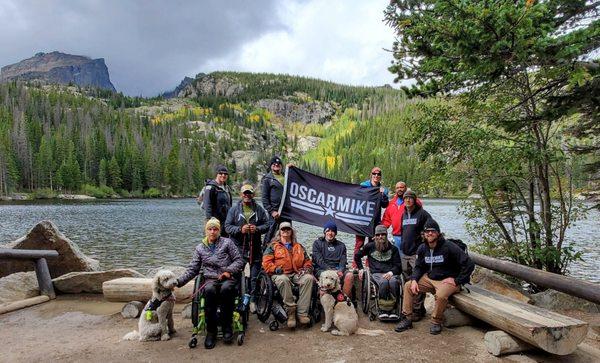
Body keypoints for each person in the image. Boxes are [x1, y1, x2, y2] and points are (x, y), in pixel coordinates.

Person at [395, 219, 474, 335]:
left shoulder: (449, 246)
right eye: (427, 231)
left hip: (447, 280)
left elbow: (469, 264)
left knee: (441, 295)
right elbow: (419, 267)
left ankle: (436, 321)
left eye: (433, 231)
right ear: (424, 234)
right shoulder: (422, 248)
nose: (430, 233)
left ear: (438, 233)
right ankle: (407, 319)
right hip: (430, 279)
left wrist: (457, 280)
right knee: (408, 286)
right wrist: (414, 280)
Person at [176, 218, 244, 349]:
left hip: (227, 278)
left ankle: (227, 327)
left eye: (215, 229)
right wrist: (179, 282)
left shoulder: (227, 242)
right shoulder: (200, 248)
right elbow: (193, 269)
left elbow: (239, 260)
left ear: (219, 230)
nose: (212, 232)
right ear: (205, 230)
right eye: (210, 229)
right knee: (209, 291)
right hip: (210, 279)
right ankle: (211, 331)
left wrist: (228, 271)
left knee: (226, 289)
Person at [224, 183, 269, 313]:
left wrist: (257, 229)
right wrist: (240, 229)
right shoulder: (234, 210)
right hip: (238, 247)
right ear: (241, 195)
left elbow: (267, 225)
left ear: (253, 195)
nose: (247, 195)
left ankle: (253, 301)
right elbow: (227, 227)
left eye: (249, 193)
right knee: (237, 275)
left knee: (254, 276)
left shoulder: (259, 209)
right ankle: (238, 299)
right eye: (245, 193)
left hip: (255, 247)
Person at [262, 222, 314, 328]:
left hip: (296, 273)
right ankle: (291, 312)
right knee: (283, 280)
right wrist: (275, 269)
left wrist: (306, 269)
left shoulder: (299, 246)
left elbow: (308, 261)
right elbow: (266, 263)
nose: (285, 231)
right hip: (279, 274)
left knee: (308, 278)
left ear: (291, 232)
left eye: (288, 229)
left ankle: (302, 313)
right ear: (279, 232)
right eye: (283, 229)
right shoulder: (273, 246)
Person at [354, 224, 402, 319]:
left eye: (383, 234)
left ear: (386, 235)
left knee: (393, 282)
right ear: (375, 236)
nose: (380, 236)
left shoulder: (394, 249)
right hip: (376, 273)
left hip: (390, 273)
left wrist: (391, 273)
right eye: (378, 235)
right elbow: (357, 256)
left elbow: (398, 266)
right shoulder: (369, 246)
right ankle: (383, 308)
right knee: (383, 282)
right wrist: (360, 268)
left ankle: (393, 308)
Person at [400, 189, 431, 319]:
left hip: (416, 254)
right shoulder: (404, 214)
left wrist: (423, 243)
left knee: (417, 281)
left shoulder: (422, 214)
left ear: (414, 200)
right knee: (407, 282)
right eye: (405, 198)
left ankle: (417, 311)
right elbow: (403, 232)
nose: (407, 200)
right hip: (404, 252)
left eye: (410, 198)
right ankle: (411, 309)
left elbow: (431, 228)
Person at [352, 167, 389, 268]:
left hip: (375, 222)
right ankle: (355, 265)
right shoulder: (363, 186)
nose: (376, 176)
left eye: (378, 174)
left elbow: (385, 205)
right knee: (359, 243)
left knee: (373, 244)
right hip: (362, 220)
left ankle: (370, 265)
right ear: (371, 175)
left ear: (380, 176)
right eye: (374, 174)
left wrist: (383, 195)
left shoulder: (383, 190)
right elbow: (355, 197)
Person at [312, 220, 354, 298]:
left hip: (337, 269)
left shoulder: (341, 245)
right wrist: (331, 271)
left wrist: (341, 270)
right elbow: (319, 261)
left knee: (350, 276)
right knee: (325, 275)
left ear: (335, 233)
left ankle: (343, 299)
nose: (330, 233)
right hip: (322, 269)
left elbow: (343, 260)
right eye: (328, 230)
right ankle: (324, 298)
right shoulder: (317, 243)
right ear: (325, 232)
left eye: (333, 231)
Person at [381, 181, 424, 255]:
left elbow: (421, 211)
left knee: (412, 260)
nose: (399, 189)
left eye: (401, 187)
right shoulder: (391, 203)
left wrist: (410, 196)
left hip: (411, 236)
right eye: (397, 188)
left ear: (406, 188)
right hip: (396, 237)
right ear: (395, 190)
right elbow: (386, 221)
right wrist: (380, 232)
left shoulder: (412, 201)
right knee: (398, 261)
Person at [261, 156, 288, 246]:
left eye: (279, 164)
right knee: (271, 234)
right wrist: (272, 211)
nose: (276, 165)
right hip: (275, 213)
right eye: (274, 164)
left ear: (281, 166)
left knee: (287, 233)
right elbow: (264, 198)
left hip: (287, 212)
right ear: (271, 166)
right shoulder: (267, 179)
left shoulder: (286, 176)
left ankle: (285, 253)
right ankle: (265, 253)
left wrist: (291, 169)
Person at [203, 165, 233, 236]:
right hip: (214, 221)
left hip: (225, 221)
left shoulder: (227, 188)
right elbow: (207, 205)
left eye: (225, 174)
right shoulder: (211, 187)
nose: (223, 175)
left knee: (225, 243)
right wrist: (210, 220)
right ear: (217, 174)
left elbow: (230, 205)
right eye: (221, 173)